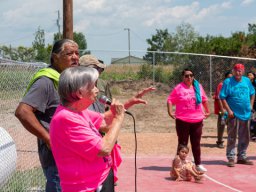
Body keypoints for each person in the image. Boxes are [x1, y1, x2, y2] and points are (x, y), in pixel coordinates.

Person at [79, 54, 156, 183]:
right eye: (96, 70)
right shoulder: (75, 106)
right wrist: (118, 119)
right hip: (89, 154)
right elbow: (103, 146)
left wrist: (129, 102)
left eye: (100, 70)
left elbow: (106, 116)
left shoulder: (100, 88)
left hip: (100, 145)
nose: (99, 74)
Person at [15, 39, 79, 192]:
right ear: (55, 57)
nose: (75, 57)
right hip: (57, 160)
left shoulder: (66, 80)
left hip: (72, 154)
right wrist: (48, 138)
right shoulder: (46, 82)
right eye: (69, 53)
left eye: (77, 53)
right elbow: (23, 112)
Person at [50, 66, 125, 192]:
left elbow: (106, 124)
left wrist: (123, 107)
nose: (97, 90)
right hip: (86, 187)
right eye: (93, 86)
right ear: (80, 93)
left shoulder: (79, 111)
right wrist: (118, 118)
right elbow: (104, 148)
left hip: (100, 179)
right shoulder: (65, 119)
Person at [167, 68, 210, 173]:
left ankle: (198, 164)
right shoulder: (178, 88)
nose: (189, 77)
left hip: (197, 120)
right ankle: (179, 165)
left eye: (191, 75)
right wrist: (170, 112)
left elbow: (204, 99)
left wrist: (207, 111)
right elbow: (170, 100)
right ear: (183, 77)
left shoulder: (198, 87)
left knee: (196, 143)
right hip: (182, 120)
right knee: (183, 143)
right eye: (186, 76)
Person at [220, 63, 255, 167]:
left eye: (240, 70)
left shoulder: (247, 81)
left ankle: (242, 157)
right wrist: (229, 110)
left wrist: (251, 105)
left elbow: (252, 93)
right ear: (233, 71)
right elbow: (222, 97)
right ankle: (231, 157)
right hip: (233, 114)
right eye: (236, 70)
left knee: (245, 136)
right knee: (232, 136)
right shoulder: (228, 82)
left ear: (243, 71)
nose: (238, 72)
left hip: (246, 113)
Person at [213, 71, 233, 148]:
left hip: (231, 110)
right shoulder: (221, 85)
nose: (230, 79)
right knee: (222, 125)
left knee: (231, 126)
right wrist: (222, 110)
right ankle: (219, 141)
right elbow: (219, 98)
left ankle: (231, 141)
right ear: (225, 78)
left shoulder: (233, 86)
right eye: (229, 77)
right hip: (223, 110)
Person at [247, 71, 256, 140]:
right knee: (250, 117)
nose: (249, 76)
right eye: (248, 75)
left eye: (250, 75)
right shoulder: (246, 83)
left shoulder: (254, 83)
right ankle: (250, 133)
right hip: (249, 102)